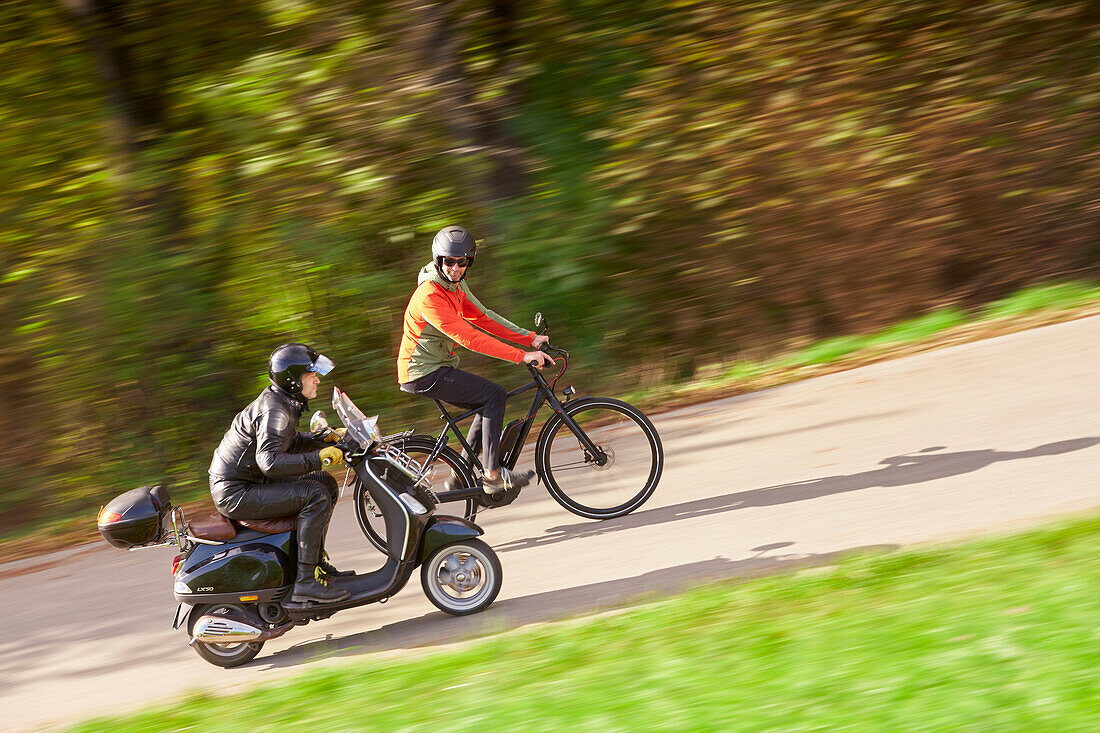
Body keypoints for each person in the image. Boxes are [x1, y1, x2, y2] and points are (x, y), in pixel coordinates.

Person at [397, 225, 554, 494]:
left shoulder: (455, 286)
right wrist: (522, 356)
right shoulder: (430, 297)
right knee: (494, 395)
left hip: (437, 366)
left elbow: (482, 317)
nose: (455, 268)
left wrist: (529, 338)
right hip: (421, 373)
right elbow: (470, 338)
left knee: (487, 401)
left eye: (462, 262)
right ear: (438, 260)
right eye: (449, 261)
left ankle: (461, 475)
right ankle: (492, 476)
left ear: (469, 261)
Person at [209, 343, 352, 604]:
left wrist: (325, 440)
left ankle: (315, 566)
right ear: (294, 379)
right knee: (315, 495)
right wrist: (317, 457)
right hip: (236, 492)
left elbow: (289, 442)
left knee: (324, 483)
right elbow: (271, 462)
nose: (317, 380)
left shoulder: (284, 401)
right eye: (312, 375)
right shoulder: (276, 410)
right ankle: (306, 583)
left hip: (251, 481)